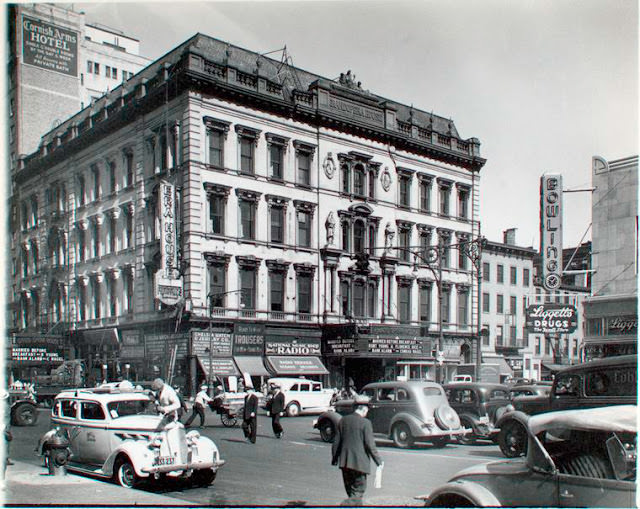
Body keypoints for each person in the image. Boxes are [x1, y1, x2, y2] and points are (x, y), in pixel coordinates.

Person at [331, 395, 383, 505]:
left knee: (352, 493)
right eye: (367, 409)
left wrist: (334, 459)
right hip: (359, 465)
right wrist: (378, 461)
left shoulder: (343, 420)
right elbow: (370, 445)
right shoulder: (366, 423)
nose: (367, 412)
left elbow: (336, 442)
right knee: (358, 492)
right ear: (364, 408)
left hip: (345, 464)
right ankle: (344, 506)